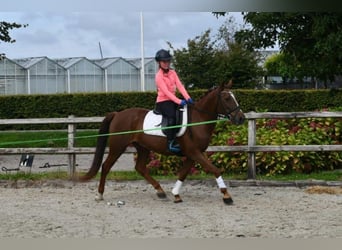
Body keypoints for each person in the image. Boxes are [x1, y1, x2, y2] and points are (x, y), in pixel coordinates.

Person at [154, 49, 193, 153]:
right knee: (172, 117)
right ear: (159, 63)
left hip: (173, 100)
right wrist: (179, 101)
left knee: (186, 113)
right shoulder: (158, 76)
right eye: (164, 62)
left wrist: (188, 97)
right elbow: (166, 92)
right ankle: (170, 143)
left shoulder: (173, 73)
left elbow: (180, 86)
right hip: (163, 102)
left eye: (168, 61)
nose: (167, 64)